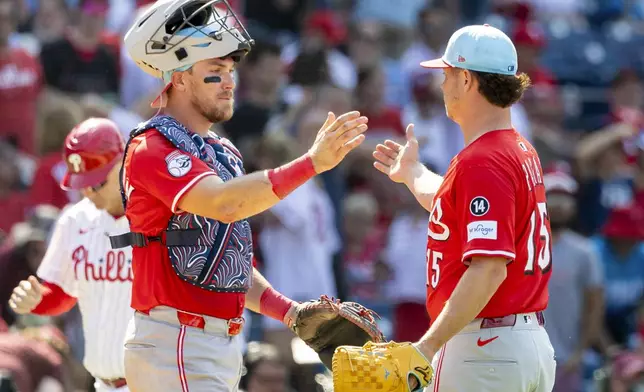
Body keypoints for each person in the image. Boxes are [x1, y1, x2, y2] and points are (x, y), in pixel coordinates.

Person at [111, 0, 368, 391]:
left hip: (215, 345)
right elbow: (224, 204)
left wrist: (291, 313)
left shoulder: (221, 151)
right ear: (178, 78)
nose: (230, 81)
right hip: (175, 342)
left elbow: (223, 258)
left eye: (230, 70)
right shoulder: (153, 147)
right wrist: (312, 163)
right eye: (215, 71)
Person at [371, 24, 556, 391]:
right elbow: (452, 205)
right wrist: (413, 173)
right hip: (520, 343)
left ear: (467, 80)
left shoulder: (484, 159)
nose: (441, 85)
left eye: (447, 74)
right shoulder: (516, 148)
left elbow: (488, 268)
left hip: (484, 348)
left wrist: (426, 347)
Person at [8, 117, 133, 392]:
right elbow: (62, 293)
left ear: (124, 163)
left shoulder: (159, 215)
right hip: (105, 382)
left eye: (98, 182)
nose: (88, 191)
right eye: (82, 183)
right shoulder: (74, 219)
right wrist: (36, 301)